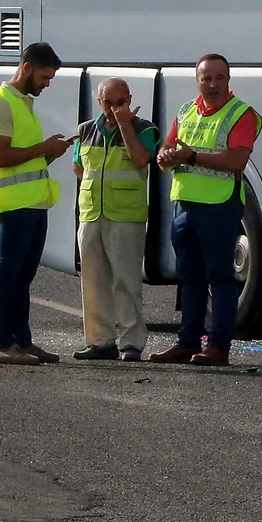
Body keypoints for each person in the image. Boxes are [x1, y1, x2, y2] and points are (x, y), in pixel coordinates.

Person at [149, 53, 261, 366]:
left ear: (228, 80)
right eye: (206, 78)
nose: (212, 84)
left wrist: (190, 157)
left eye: (219, 78)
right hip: (185, 206)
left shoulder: (241, 114)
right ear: (198, 80)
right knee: (189, 278)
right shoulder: (187, 110)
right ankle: (187, 343)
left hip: (220, 206)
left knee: (220, 277)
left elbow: (237, 160)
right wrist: (165, 157)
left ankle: (218, 346)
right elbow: (168, 147)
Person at [0, 42, 74, 366]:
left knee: (23, 276)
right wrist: (42, 147)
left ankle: (22, 341)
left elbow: (26, 157)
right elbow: (1, 156)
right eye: (45, 77)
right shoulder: (2, 104)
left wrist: (50, 151)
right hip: (14, 204)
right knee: (10, 273)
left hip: (33, 203)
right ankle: (4, 343)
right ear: (27, 67)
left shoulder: (23, 103)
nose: (47, 84)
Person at [71, 78, 159, 361]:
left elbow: (140, 159)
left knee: (126, 282)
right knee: (93, 281)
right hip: (91, 214)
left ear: (130, 100)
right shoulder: (86, 130)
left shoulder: (144, 129)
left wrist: (124, 125)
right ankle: (100, 341)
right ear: (99, 102)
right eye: (109, 103)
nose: (114, 109)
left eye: (120, 103)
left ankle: (131, 342)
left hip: (126, 216)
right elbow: (78, 166)